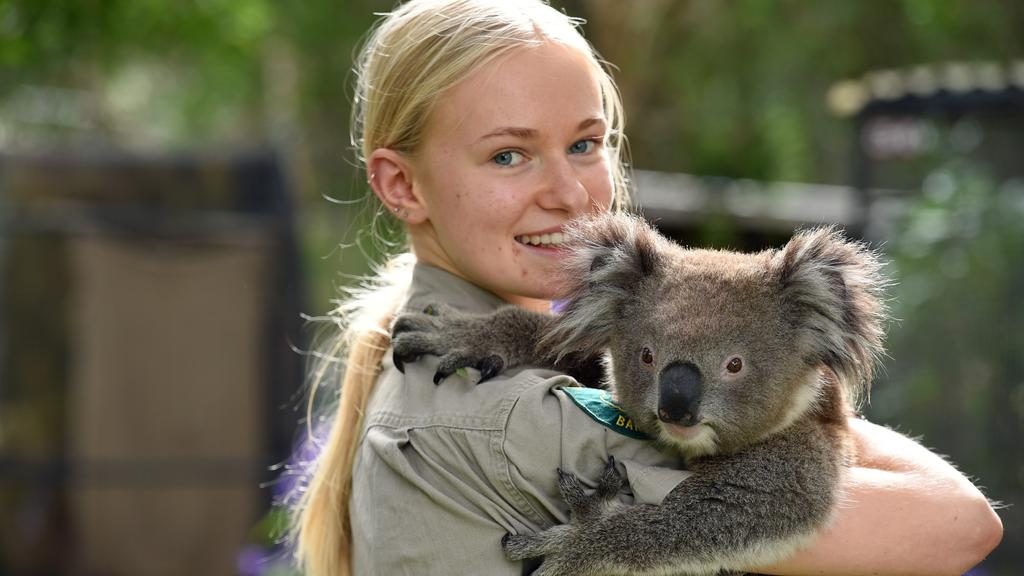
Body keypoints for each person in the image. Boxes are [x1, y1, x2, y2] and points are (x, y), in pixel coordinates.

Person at [289, 1, 1003, 575]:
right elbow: (958, 522)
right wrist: (789, 397)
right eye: (508, 155)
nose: (567, 193)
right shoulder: (524, 422)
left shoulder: (454, 353)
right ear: (400, 183)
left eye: (584, 144)